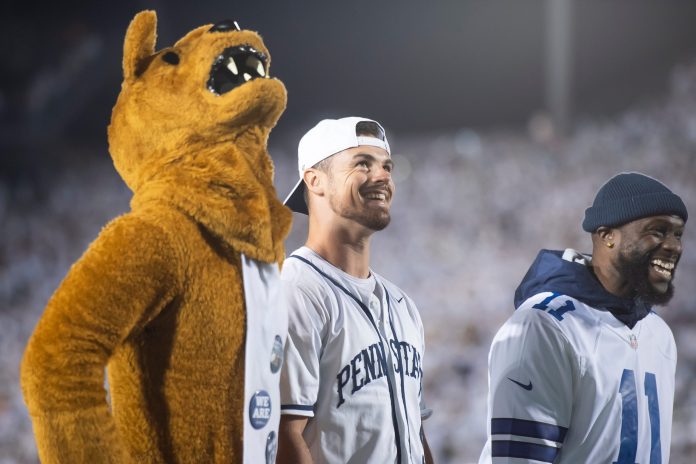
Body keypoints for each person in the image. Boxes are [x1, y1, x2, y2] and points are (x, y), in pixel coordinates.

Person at [479, 172, 688, 463]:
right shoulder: (543, 325)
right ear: (607, 236)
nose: (674, 246)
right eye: (657, 230)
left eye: (678, 234)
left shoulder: (658, 332)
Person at [277, 117, 434, 463]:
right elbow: (283, 437)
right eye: (362, 164)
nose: (383, 177)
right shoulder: (295, 290)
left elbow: (416, 433)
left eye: (386, 166)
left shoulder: (402, 304)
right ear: (314, 180)